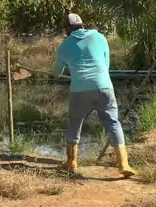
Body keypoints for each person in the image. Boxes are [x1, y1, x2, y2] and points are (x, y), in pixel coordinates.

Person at [52, 13, 135, 177]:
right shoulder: (99, 37)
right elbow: (106, 65)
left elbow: (56, 73)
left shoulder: (64, 46)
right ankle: (123, 164)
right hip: (104, 86)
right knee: (113, 123)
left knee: (75, 122)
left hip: (80, 90)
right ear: (82, 25)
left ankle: (71, 162)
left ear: (67, 29)